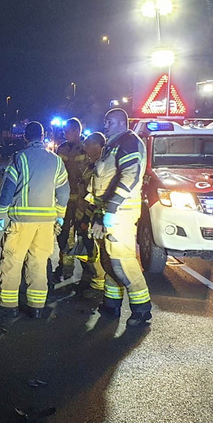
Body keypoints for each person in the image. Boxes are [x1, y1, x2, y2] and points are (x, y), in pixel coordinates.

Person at [0, 121, 69, 319]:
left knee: (13, 261)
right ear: (42, 137)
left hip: (22, 221)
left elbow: (7, 189)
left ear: (26, 137)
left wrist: (1, 215)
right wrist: (59, 215)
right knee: (39, 262)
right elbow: (64, 191)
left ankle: (8, 306)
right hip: (46, 223)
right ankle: (36, 306)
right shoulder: (56, 160)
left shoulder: (19, 158)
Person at [87, 108, 152, 327]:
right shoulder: (113, 144)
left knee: (122, 261)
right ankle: (111, 304)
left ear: (120, 122)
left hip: (120, 213)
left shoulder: (129, 142)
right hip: (107, 212)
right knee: (108, 260)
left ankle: (142, 310)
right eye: (105, 121)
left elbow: (130, 176)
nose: (105, 125)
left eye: (109, 121)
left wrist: (112, 209)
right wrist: (99, 213)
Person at [55, 117, 89, 283]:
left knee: (83, 236)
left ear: (77, 131)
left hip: (82, 201)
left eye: (68, 131)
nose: (65, 134)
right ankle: (65, 268)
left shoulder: (86, 149)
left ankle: (88, 274)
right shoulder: (61, 148)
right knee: (63, 236)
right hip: (65, 200)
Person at [73, 132, 107, 298]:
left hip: (94, 217)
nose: (84, 147)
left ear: (97, 146)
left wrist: (87, 218)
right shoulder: (91, 165)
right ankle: (91, 277)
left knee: (96, 251)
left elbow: (94, 197)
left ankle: (98, 284)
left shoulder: (101, 167)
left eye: (88, 144)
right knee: (88, 249)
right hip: (85, 215)